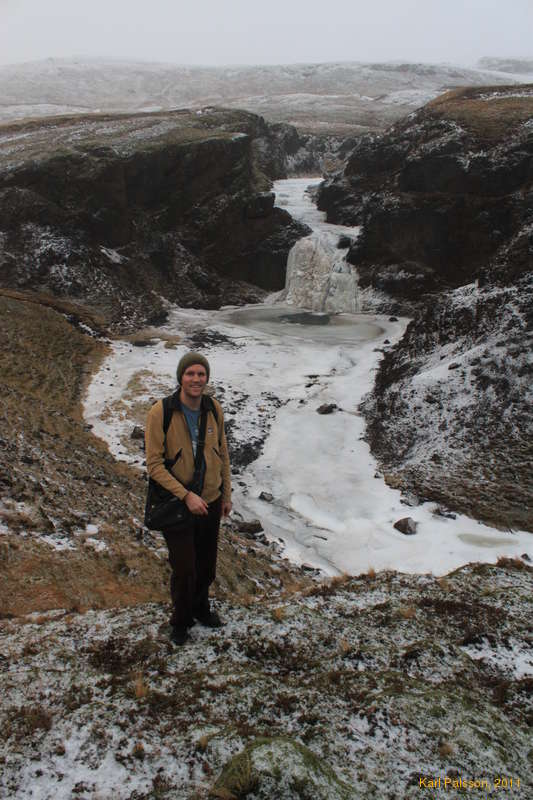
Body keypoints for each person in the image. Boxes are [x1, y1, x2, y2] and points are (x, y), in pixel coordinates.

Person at [145, 352, 232, 645]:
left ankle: (201, 608)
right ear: (181, 377)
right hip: (178, 504)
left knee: (206, 566)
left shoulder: (213, 408)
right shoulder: (162, 412)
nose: (196, 379)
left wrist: (226, 494)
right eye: (190, 374)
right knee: (185, 569)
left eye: (201, 374)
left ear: (207, 378)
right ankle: (181, 621)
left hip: (211, 500)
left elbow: (223, 453)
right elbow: (154, 465)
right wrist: (186, 495)